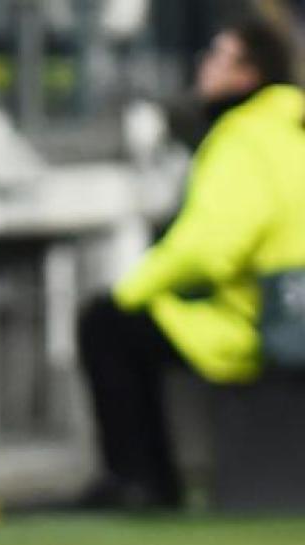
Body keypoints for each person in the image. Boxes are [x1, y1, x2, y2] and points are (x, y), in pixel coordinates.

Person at [74, 16, 305, 510]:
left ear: (247, 75)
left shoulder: (243, 135)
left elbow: (212, 248)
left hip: (259, 323)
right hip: (288, 306)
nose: (203, 66)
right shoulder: (291, 127)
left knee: (108, 324)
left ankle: (142, 482)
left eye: (218, 56)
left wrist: (132, 288)